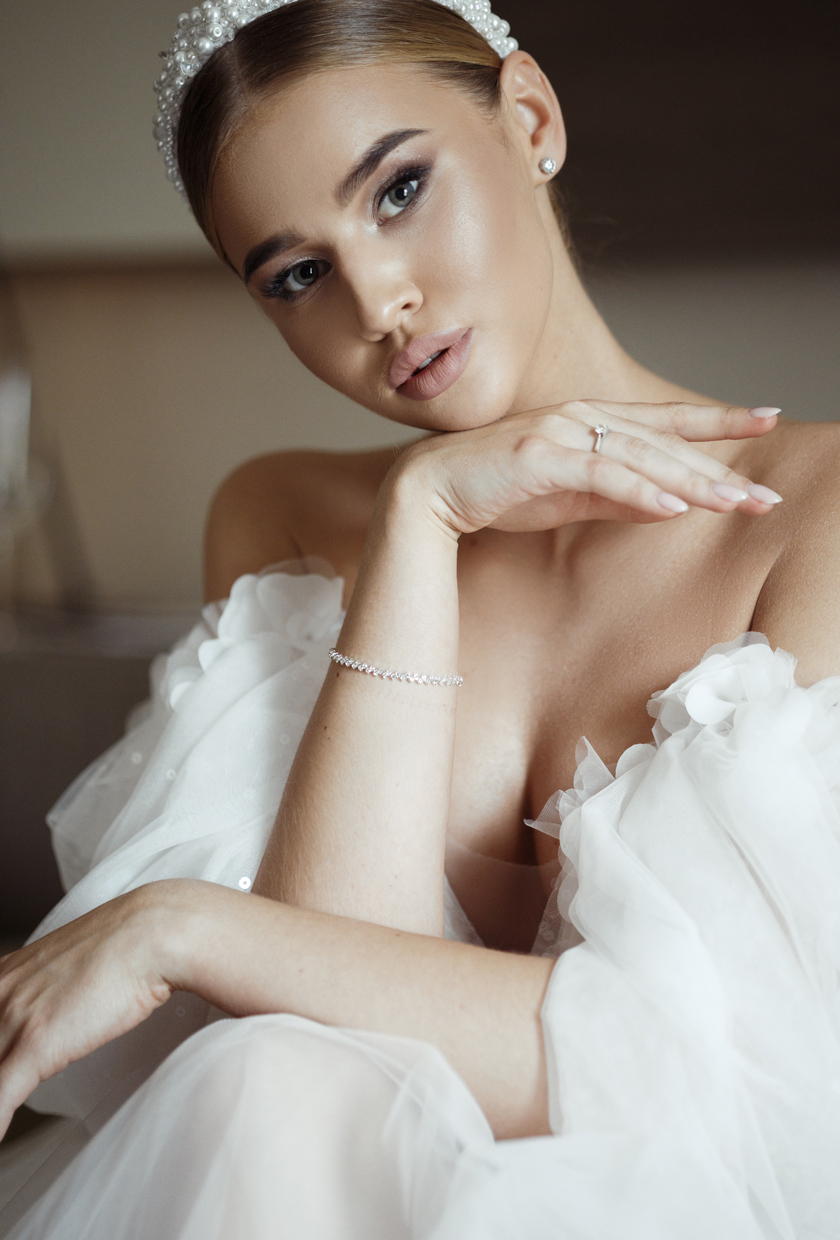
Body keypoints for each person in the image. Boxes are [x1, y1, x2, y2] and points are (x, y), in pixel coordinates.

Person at [2, 0, 840, 1234]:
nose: (377, 300)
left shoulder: (816, 519)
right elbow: (306, 1054)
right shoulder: (285, 515)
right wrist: (419, 519)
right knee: (269, 1084)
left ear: (533, 118)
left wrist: (182, 926)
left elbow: (726, 1077)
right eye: (296, 274)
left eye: (397, 190)